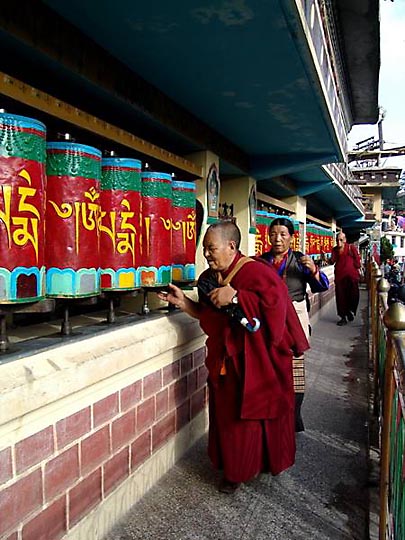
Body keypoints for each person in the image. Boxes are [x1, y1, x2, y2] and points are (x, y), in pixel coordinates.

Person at [158, 222, 309, 493]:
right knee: (230, 419)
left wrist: (238, 297)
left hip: (261, 360)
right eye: (204, 249)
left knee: (262, 417)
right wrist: (184, 304)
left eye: (211, 248)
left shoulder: (256, 272)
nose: (206, 253)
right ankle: (234, 471)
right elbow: (209, 315)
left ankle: (262, 462)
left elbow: (275, 314)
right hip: (229, 361)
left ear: (231, 246)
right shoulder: (208, 278)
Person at [260, 217, 329, 432]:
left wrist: (314, 271)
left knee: (295, 369)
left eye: (283, 234)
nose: (277, 239)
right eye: (273, 234)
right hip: (269, 321)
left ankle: (293, 416)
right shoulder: (262, 262)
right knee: (271, 367)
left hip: (295, 321)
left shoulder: (300, 261)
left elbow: (322, 286)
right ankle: (273, 414)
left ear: (292, 237)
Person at [331, 232, 361, 326]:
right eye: (337, 240)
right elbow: (332, 261)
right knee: (341, 298)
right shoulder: (335, 250)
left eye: (341, 240)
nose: (339, 242)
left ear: (345, 240)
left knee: (353, 296)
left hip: (351, 277)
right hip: (340, 277)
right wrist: (325, 258)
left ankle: (349, 311)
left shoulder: (351, 248)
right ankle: (343, 317)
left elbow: (357, 261)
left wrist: (357, 269)